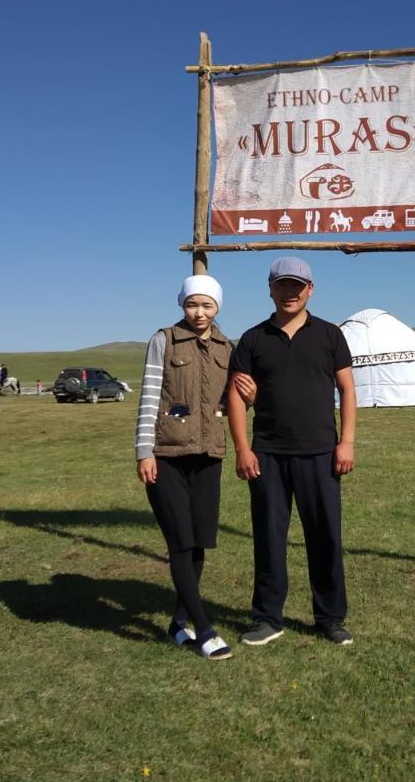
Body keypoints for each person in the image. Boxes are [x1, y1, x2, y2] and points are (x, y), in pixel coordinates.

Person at [227, 256, 357, 647]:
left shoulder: (330, 335)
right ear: (270, 289)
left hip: (320, 452)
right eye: (282, 285)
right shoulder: (253, 339)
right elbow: (235, 396)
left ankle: (330, 617)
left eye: (297, 286)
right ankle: (267, 618)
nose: (290, 292)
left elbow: (348, 390)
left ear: (310, 290)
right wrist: (242, 449)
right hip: (267, 453)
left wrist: (346, 441)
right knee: (269, 537)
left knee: (325, 537)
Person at [134, 274, 255, 660]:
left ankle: (177, 623)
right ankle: (203, 629)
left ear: (218, 306)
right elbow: (150, 395)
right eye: (192, 304)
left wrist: (250, 399)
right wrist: (143, 451)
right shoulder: (164, 340)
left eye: (207, 305)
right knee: (180, 541)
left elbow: (227, 401)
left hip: (208, 454)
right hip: (166, 454)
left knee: (200, 539)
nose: (199, 312)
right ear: (181, 305)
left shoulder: (226, 346)